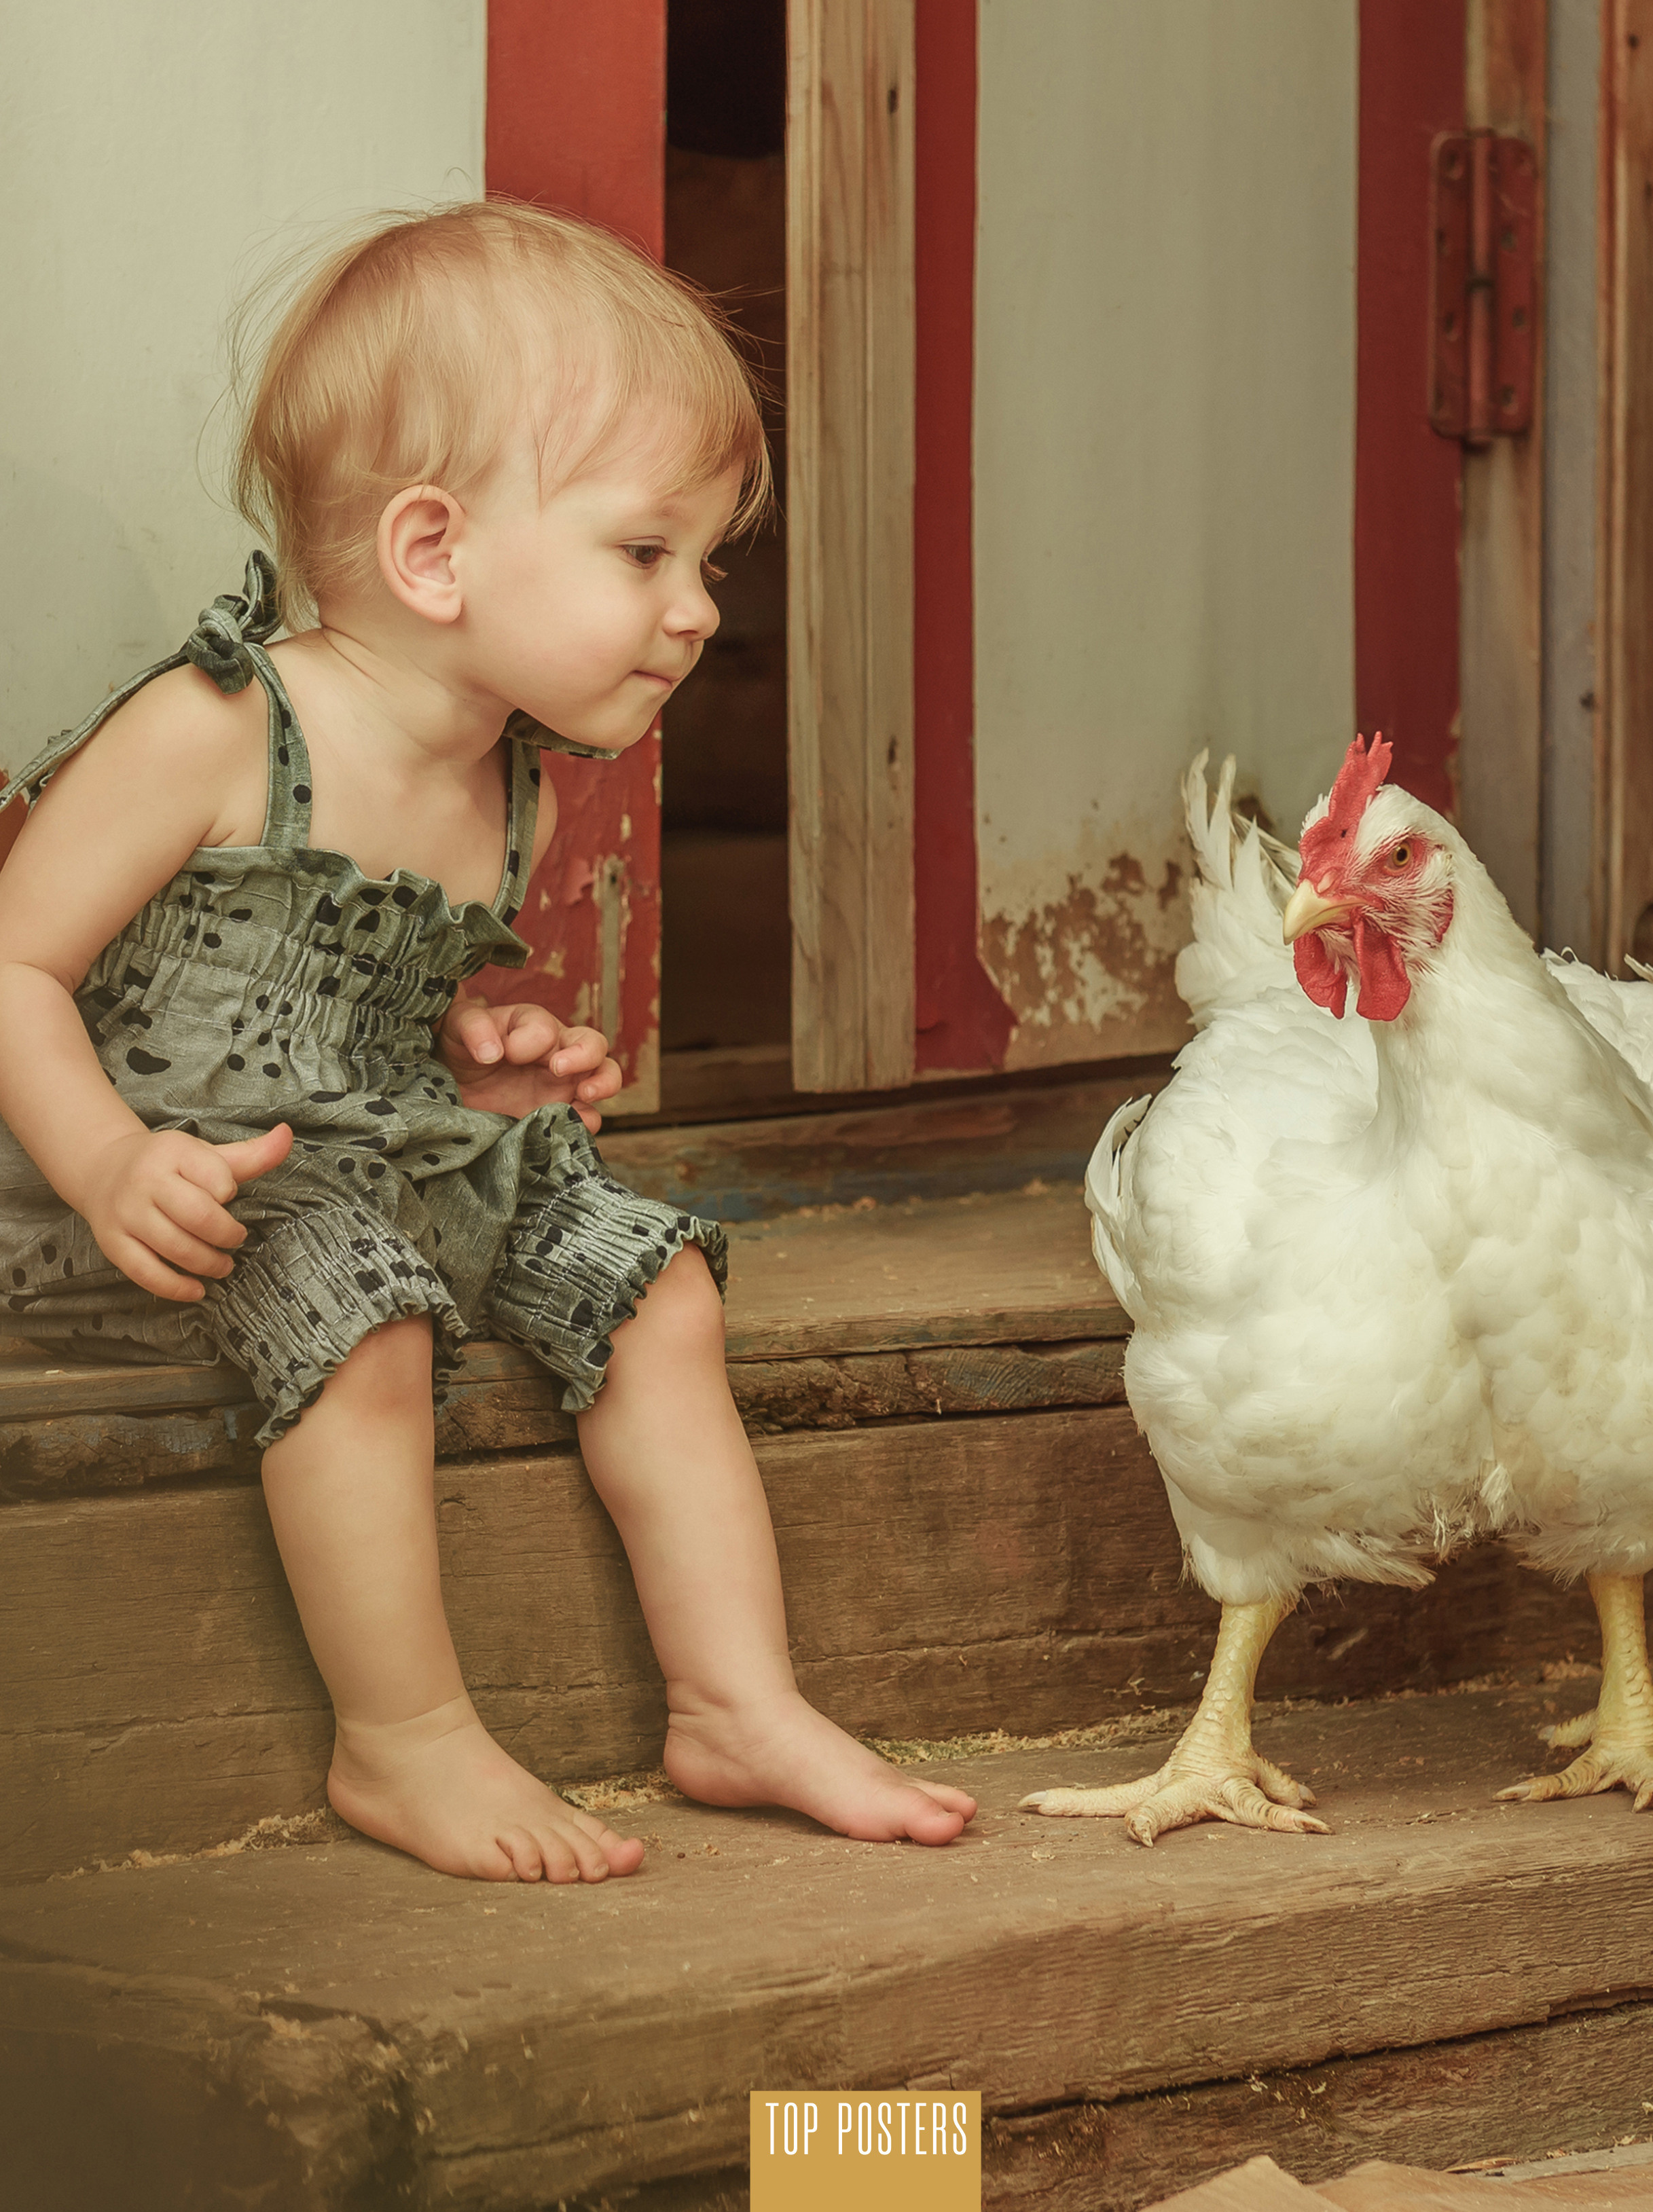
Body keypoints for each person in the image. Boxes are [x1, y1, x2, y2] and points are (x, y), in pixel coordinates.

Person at [0, 202, 976, 1883]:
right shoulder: (223, 726)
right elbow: (17, 962)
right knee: (367, 1312)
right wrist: (105, 1162)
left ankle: (735, 1701)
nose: (698, 614)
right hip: (171, 1197)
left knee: (654, 1275)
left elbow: (372, 1022)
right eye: (645, 552)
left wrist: (484, 1059)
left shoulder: (504, 775)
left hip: (371, 1166)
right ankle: (408, 1741)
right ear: (435, 552)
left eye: (709, 565)